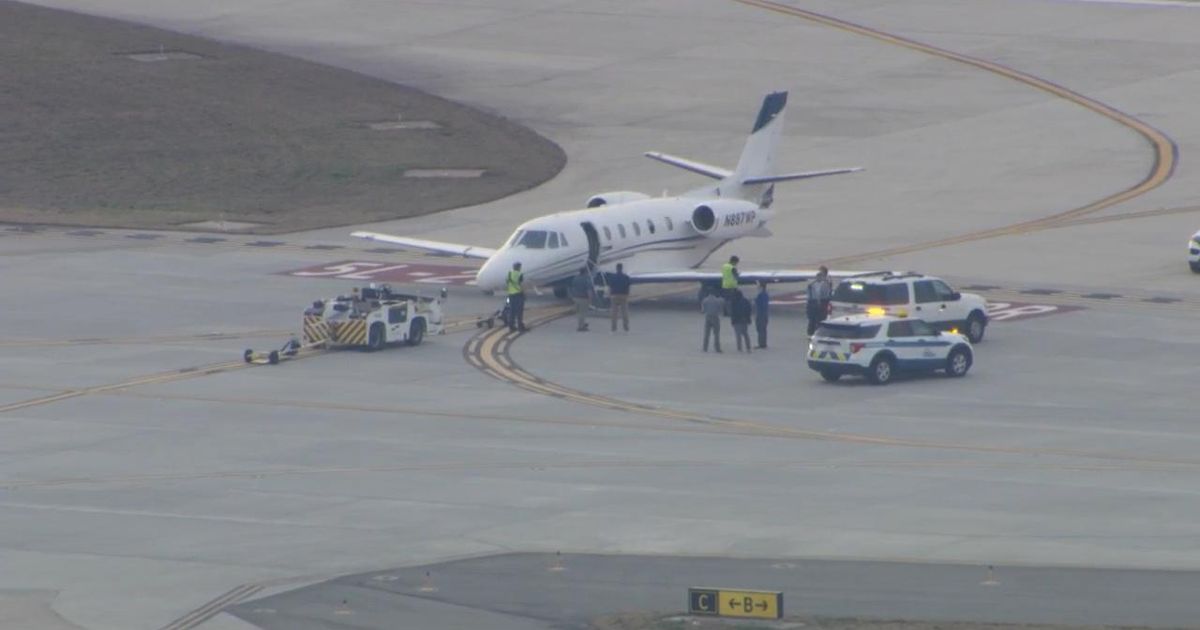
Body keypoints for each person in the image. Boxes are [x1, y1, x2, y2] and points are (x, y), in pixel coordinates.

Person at [806, 265, 832, 336]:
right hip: (813, 303)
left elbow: (828, 294)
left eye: (822, 274)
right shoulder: (812, 284)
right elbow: (810, 294)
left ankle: (818, 333)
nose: (820, 276)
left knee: (820, 320)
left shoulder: (827, 283)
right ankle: (810, 334)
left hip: (823, 303)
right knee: (812, 320)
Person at [569, 267, 594, 332]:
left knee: (579, 312)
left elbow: (572, 287)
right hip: (583, 298)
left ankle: (582, 323)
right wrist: (590, 299)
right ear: (585, 272)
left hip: (576, 297)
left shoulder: (575, 278)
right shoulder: (587, 279)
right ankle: (581, 327)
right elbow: (589, 290)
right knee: (583, 313)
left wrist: (572, 296)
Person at [608, 263, 631, 333]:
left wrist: (610, 294)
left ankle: (613, 328)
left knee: (614, 313)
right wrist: (627, 294)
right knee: (624, 312)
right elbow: (628, 286)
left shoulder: (612, 277)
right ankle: (626, 327)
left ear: (616, 268)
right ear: (622, 268)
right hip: (623, 295)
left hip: (614, 295)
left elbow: (610, 286)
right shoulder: (626, 277)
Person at [506, 262, 529, 332]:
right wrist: (524, 293)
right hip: (518, 294)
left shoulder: (509, 273)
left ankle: (511, 326)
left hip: (510, 294)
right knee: (519, 311)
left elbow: (507, 282)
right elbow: (521, 284)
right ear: (519, 267)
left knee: (512, 311)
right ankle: (520, 327)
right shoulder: (520, 274)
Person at [730, 289, 753, 353]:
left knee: (738, 335)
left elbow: (733, 312)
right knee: (745, 334)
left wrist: (732, 321)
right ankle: (748, 347)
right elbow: (749, 310)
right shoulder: (746, 301)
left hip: (737, 320)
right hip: (744, 320)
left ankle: (739, 348)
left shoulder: (734, 301)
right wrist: (748, 319)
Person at [754, 281, 770, 349]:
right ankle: (763, 343)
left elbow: (761, 305)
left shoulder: (761, 295)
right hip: (763, 314)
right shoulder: (764, 294)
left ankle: (762, 344)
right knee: (762, 329)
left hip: (761, 314)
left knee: (761, 329)